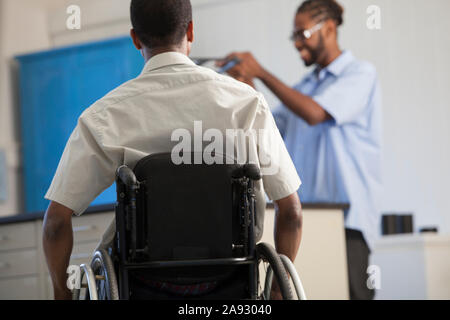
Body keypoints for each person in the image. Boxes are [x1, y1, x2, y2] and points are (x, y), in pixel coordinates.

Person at [42, 0, 302, 300]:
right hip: (230, 287)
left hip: (140, 287)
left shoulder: (104, 116)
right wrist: (276, 292)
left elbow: (56, 223)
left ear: (135, 38)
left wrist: (61, 292)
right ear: (190, 31)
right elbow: (292, 213)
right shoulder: (247, 104)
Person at [220, 0, 382, 300]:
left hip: (348, 225)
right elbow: (268, 127)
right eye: (293, 36)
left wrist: (263, 73)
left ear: (330, 29)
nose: (297, 43)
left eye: (302, 34)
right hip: (309, 222)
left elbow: (315, 114)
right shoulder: (304, 87)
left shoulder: (360, 74)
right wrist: (247, 86)